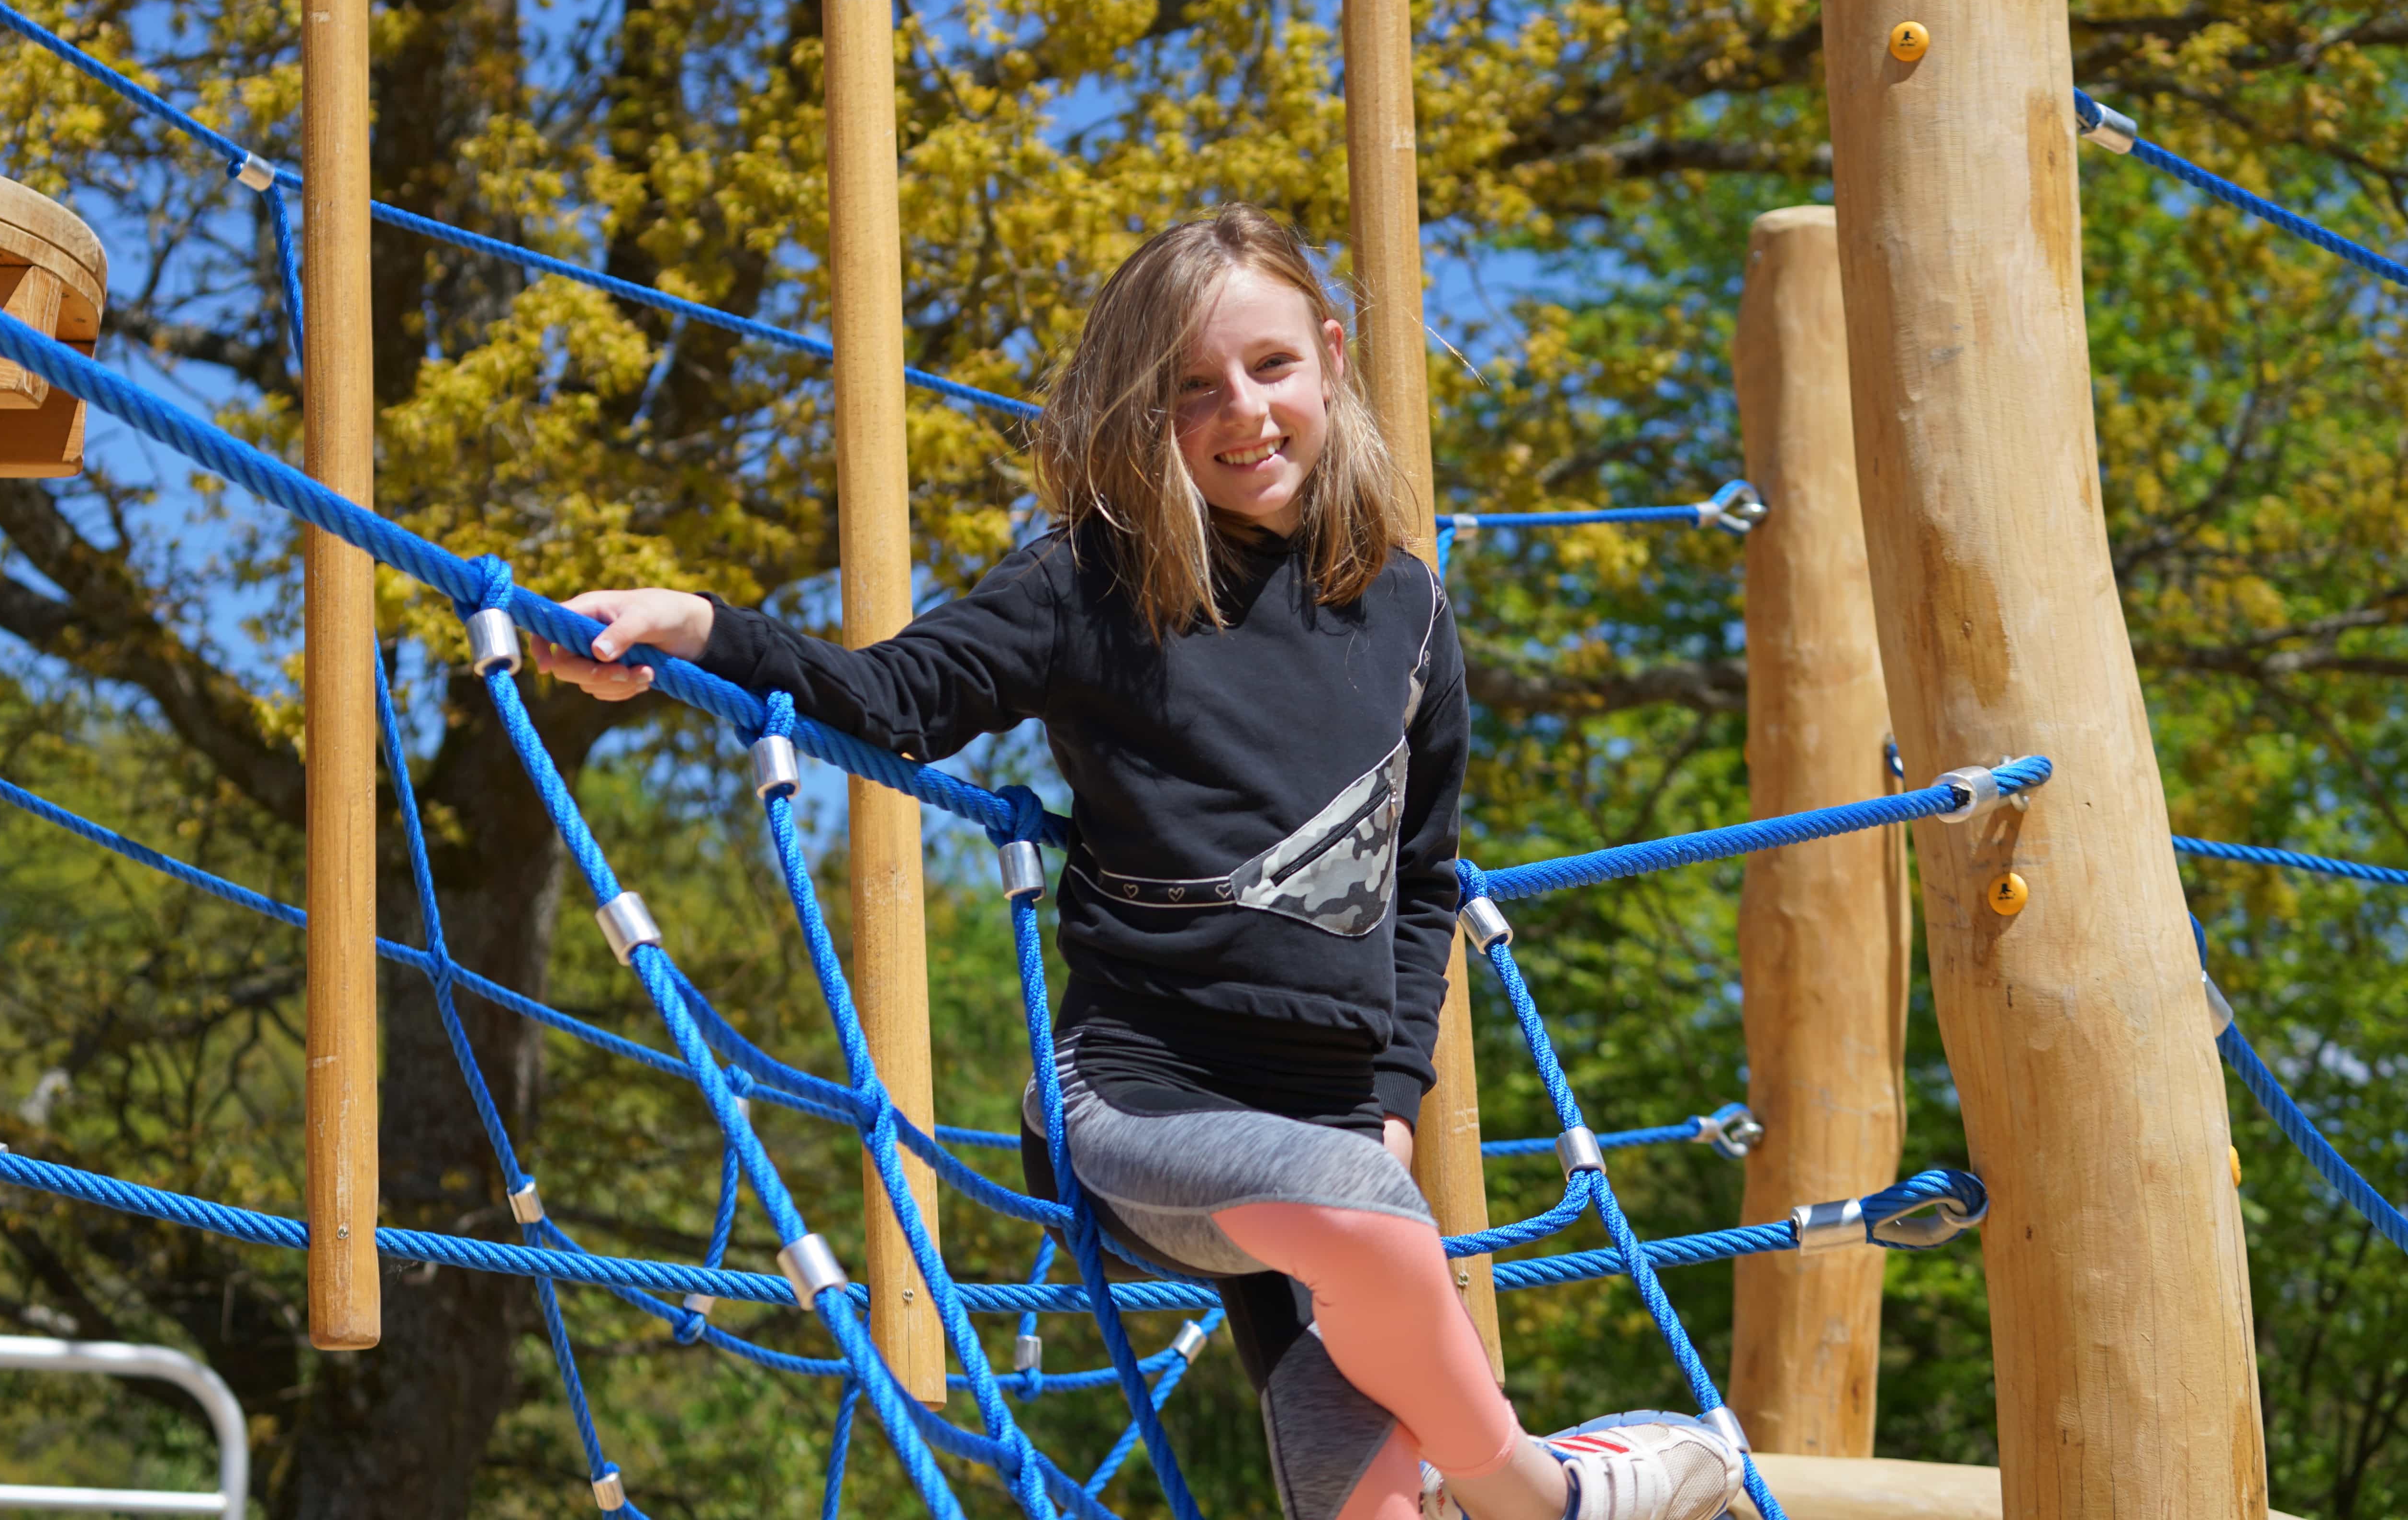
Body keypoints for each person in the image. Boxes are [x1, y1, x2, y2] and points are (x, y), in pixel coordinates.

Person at [529, 205, 1745, 1520]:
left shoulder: (1408, 613)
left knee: (1377, 1492)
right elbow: (896, 698)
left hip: (1337, 1137)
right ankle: (1557, 1494)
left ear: (1330, 357)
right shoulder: (1093, 585)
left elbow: (1423, 879)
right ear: (1142, 412)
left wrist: (1397, 1085)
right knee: (1367, 1212)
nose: (1245, 413)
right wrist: (700, 627)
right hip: (1141, 1109)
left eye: (1272, 367)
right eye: (1192, 389)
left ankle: (1559, 1471)